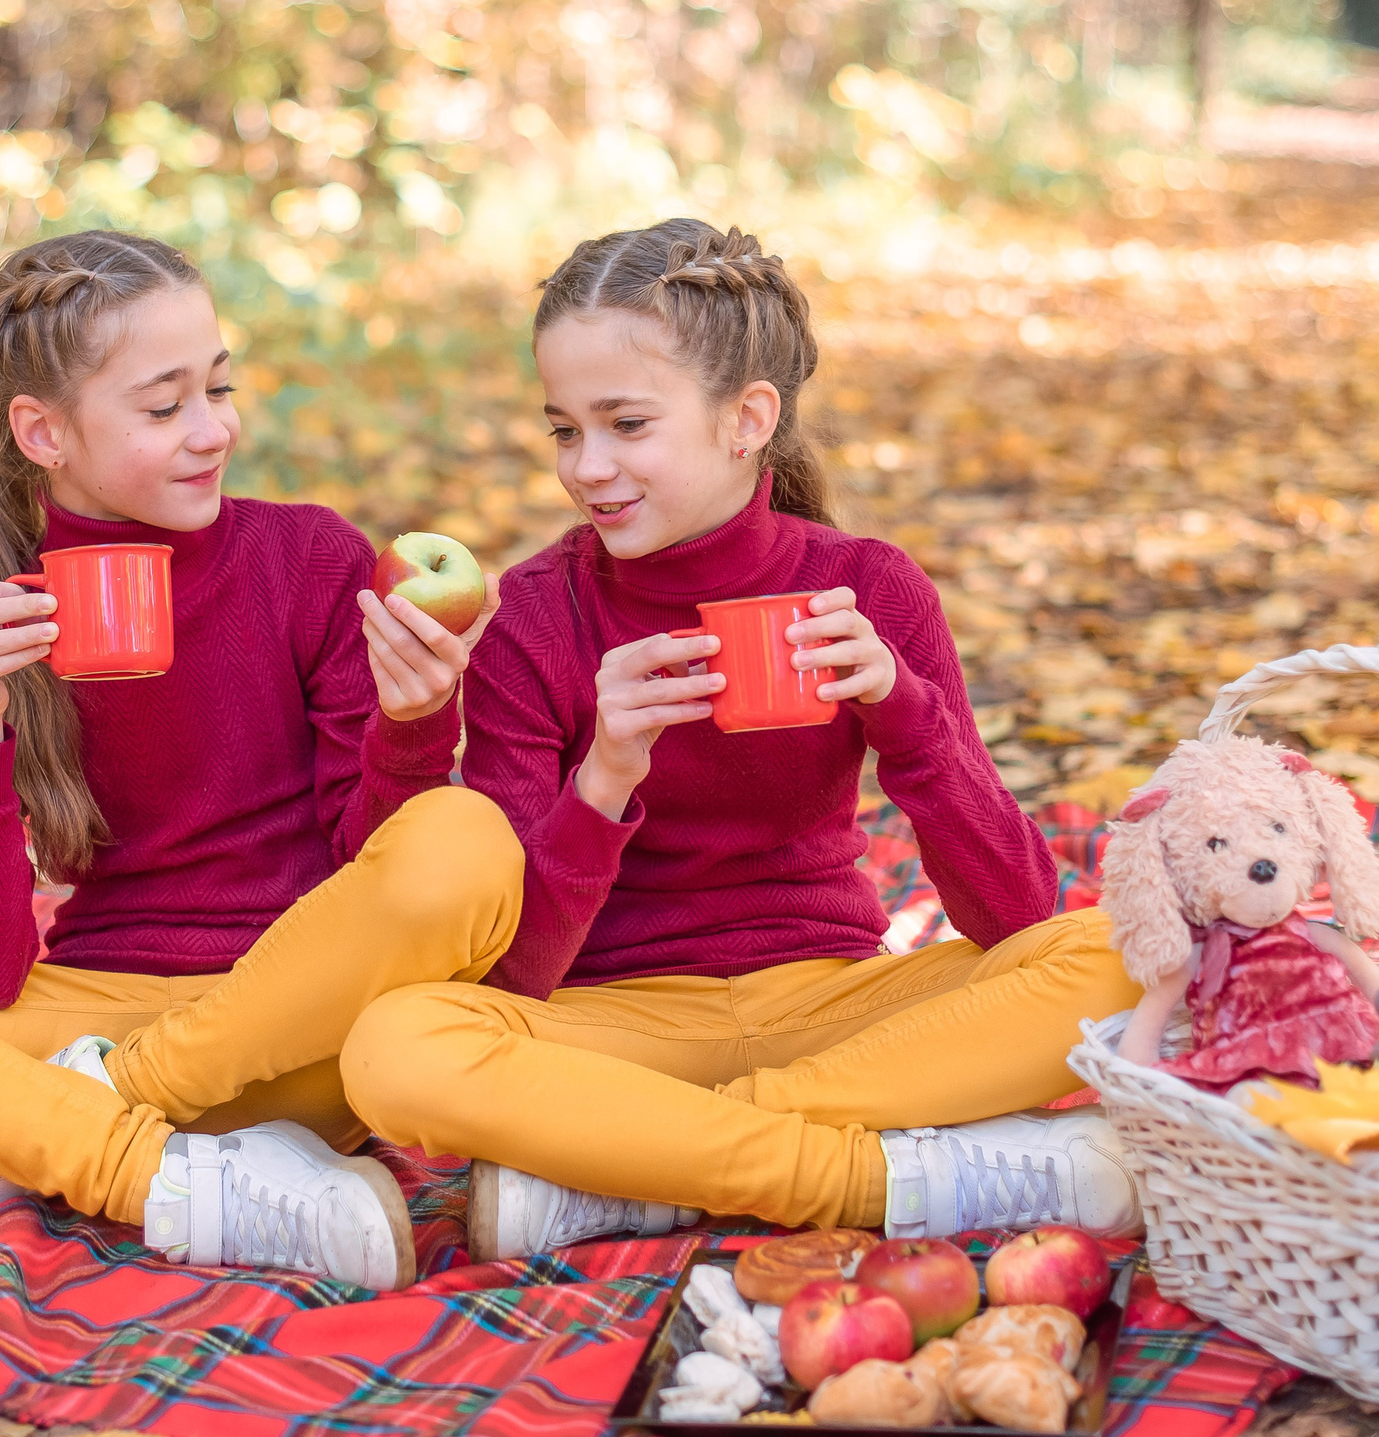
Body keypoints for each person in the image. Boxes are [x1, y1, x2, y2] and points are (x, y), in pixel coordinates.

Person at [0, 230, 522, 1292]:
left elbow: (380, 867)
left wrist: (413, 726)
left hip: (296, 1032)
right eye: (163, 404)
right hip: (88, 998)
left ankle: (28, 1129)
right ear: (43, 430)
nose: (212, 429)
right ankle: (159, 1175)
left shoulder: (310, 558)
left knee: (464, 841)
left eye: (217, 387)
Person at [339, 221, 1145, 1260]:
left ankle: (647, 1170)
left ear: (746, 419)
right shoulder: (535, 619)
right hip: (615, 1029)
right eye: (562, 430)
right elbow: (507, 979)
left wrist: (906, 718)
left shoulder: (870, 587)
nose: (588, 467)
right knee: (395, 1048)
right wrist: (602, 782)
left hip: (836, 1004)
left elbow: (1017, 914)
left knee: (1121, 954)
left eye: (626, 423)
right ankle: (873, 1174)